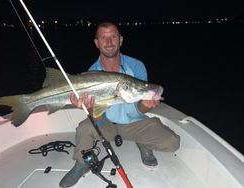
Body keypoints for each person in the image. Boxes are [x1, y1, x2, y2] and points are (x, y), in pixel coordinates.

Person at [59, 21, 180, 187]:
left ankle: (143, 142)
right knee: (84, 129)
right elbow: (98, 119)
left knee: (173, 142)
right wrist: (89, 108)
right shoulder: (91, 73)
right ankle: (81, 163)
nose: (109, 42)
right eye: (104, 37)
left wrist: (146, 105)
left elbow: (137, 110)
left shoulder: (136, 66)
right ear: (97, 43)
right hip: (106, 124)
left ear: (120, 40)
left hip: (134, 123)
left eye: (113, 36)